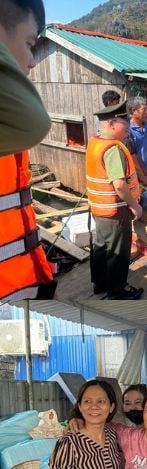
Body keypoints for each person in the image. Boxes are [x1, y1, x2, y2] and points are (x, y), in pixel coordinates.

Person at [0, 0, 56, 302]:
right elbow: (32, 122)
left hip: (20, 286)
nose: (33, 61)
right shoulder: (14, 120)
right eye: (29, 43)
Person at [85, 102, 144, 300]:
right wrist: (135, 206)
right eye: (123, 122)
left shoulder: (95, 142)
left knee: (101, 247)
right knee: (118, 253)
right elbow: (119, 185)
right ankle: (118, 292)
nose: (127, 126)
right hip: (115, 211)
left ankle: (100, 284)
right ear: (111, 124)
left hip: (99, 209)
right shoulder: (112, 149)